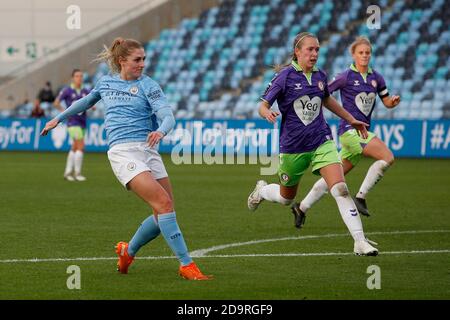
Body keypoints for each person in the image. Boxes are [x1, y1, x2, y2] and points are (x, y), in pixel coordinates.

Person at [41, 37, 211, 280]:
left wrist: (161, 130)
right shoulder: (106, 83)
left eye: (144, 59)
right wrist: (59, 118)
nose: (142, 64)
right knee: (163, 205)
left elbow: (168, 116)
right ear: (122, 61)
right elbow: (85, 101)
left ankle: (127, 251)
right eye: (137, 60)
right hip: (123, 152)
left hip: (149, 150)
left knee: (163, 210)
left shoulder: (149, 85)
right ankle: (186, 265)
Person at [247, 32, 378, 256]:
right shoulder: (285, 77)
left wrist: (350, 119)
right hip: (292, 147)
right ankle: (261, 191)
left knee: (341, 188)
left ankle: (359, 241)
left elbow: (326, 99)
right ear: (297, 52)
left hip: (321, 141)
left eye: (317, 49)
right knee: (286, 198)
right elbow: (263, 104)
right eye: (310, 49)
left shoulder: (320, 76)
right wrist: (266, 112)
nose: (315, 53)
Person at [294, 36, 400, 222]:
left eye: (367, 52)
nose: (365, 56)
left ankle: (301, 208)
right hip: (350, 132)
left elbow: (386, 101)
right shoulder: (345, 77)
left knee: (333, 178)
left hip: (361, 134)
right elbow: (323, 92)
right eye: (361, 52)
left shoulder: (377, 78)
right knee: (388, 157)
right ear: (353, 55)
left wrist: (392, 102)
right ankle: (360, 196)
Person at [53, 69, 91, 181]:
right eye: (77, 76)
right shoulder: (67, 90)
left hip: (83, 121)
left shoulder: (85, 90)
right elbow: (56, 102)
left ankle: (68, 172)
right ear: (73, 78)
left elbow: (90, 102)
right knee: (81, 146)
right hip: (73, 122)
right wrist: (65, 113)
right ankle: (77, 173)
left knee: (74, 147)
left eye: (81, 76)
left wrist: (91, 106)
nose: (80, 78)